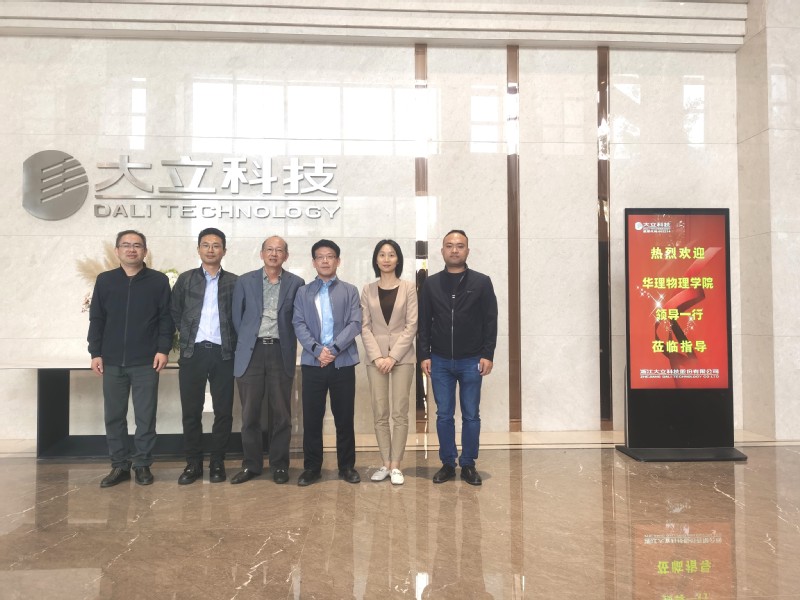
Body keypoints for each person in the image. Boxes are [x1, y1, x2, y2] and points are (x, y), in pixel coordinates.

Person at [88, 230, 174, 487]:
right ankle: (119, 465)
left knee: (145, 416)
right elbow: (97, 318)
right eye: (126, 245)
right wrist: (95, 352)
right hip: (112, 361)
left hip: (146, 361)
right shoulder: (105, 280)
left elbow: (166, 318)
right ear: (117, 251)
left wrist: (163, 349)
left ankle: (143, 465)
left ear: (144, 251)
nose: (131, 249)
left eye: (137, 245)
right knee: (114, 416)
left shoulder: (158, 281)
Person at [418, 230, 498, 486]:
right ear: (442, 251)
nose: (454, 250)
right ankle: (447, 463)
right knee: (443, 415)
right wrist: (424, 355)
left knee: (471, 414)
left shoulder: (481, 282)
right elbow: (423, 322)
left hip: (472, 360)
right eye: (449, 246)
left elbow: (490, 320)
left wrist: (488, 354)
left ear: (467, 251)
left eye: (460, 246)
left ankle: (469, 464)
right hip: (440, 360)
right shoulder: (431, 284)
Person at [230, 236, 304, 484]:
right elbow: (237, 318)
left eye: (279, 250)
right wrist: (249, 340)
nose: (274, 254)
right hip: (251, 352)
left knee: (281, 413)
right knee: (250, 412)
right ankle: (251, 465)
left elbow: (297, 319)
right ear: (261, 254)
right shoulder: (245, 281)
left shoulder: (296, 283)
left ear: (286, 255)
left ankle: (279, 465)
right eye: (269, 250)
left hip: (280, 351)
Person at [170, 227, 238, 485]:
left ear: (224, 251)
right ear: (198, 249)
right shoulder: (186, 279)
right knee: (191, 411)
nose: (211, 249)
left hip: (224, 353)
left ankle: (218, 462)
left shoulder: (235, 282)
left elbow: (241, 316)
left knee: (223, 411)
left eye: (216, 245)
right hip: (193, 352)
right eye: (206, 245)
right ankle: (193, 463)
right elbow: (175, 312)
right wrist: (188, 333)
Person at [292, 239, 362, 486]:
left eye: (330, 256)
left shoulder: (350, 290)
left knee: (344, 417)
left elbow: (355, 323)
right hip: (313, 364)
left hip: (343, 363)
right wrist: (316, 350)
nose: (325, 260)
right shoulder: (303, 292)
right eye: (320, 257)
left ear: (337, 261)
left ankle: (347, 466)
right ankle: (312, 468)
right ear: (313, 262)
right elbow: (298, 323)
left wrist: (332, 350)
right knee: (312, 418)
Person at [360, 240, 417, 485]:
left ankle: (396, 465)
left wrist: (393, 357)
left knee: (400, 412)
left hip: (403, 357)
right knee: (380, 411)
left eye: (391, 254)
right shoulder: (367, 290)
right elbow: (364, 327)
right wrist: (378, 357)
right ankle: (385, 462)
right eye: (382, 255)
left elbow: (412, 325)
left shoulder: (409, 288)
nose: (386, 259)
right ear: (376, 259)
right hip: (375, 358)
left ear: (398, 259)